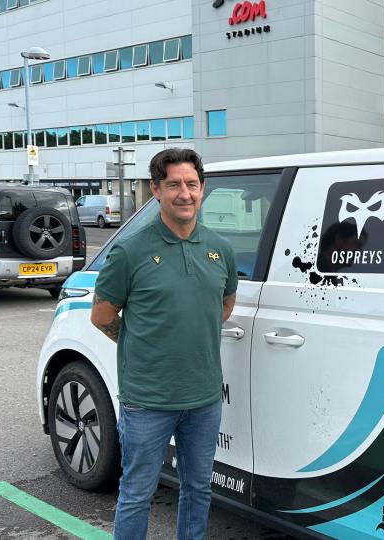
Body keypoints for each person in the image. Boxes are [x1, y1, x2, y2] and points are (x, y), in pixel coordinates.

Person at [90, 148, 238, 540]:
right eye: (173, 184)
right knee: (137, 494)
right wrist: (143, 341)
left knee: (199, 488)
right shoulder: (130, 251)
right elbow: (102, 316)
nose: (184, 193)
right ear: (155, 189)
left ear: (202, 188)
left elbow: (224, 303)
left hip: (204, 397)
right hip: (148, 400)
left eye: (192, 184)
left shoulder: (219, 249)